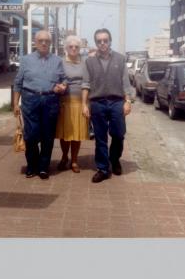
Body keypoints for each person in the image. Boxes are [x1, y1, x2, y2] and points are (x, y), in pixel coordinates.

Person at [81, 28, 135, 183]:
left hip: (117, 102)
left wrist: (128, 101)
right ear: (96, 43)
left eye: (105, 40)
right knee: (100, 137)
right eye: (99, 41)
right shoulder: (89, 62)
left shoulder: (120, 59)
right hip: (97, 103)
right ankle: (103, 168)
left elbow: (126, 83)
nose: (102, 43)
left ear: (110, 41)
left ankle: (115, 159)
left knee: (118, 134)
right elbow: (85, 84)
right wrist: (84, 104)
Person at [12, 31, 67, 179]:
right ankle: (32, 165)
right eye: (41, 40)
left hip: (51, 100)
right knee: (31, 135)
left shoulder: (57, 60)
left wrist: (62, 86)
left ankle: (43, 167)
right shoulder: (26, 60)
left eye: (47, 41)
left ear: (50, 43)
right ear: (35, 42)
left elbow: (64, 79)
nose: (44, 43)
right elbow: (18, 83)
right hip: (30, 99)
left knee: (48, 136)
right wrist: (15, 103)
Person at [55, 35, 88, 173]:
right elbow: (56, 79)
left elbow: (87, 82)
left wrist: (86, 104)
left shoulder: (85, 62)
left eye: (76, 46)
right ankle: (64, 157)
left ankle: (74, 160)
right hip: (65, 101)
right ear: (66, 48)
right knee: (65, 133)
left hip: (80, 102)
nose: (74, 49)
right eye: (71, 46)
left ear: (80, 48)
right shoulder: (60, 62)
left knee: (77, 133)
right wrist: (59, 86)